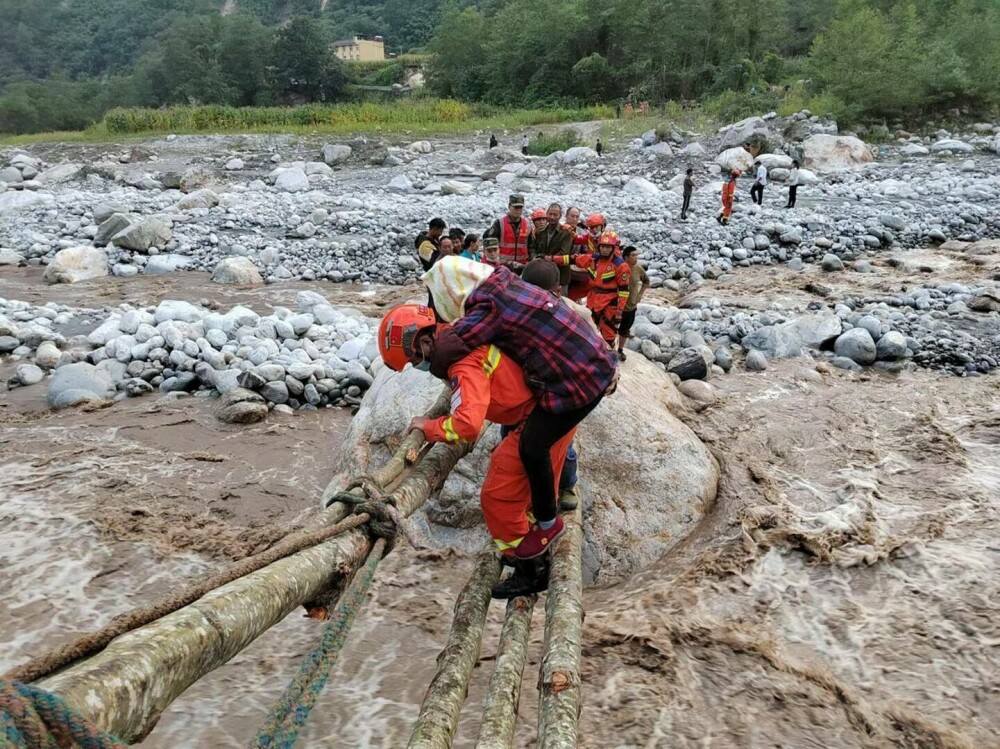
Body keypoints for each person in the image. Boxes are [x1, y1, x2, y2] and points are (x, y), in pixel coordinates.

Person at [423, 256, 618, 558]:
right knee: (539, 448)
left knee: (532, 448)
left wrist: (431, 359)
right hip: (587, 370)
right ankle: (547, 512)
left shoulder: (489, 307)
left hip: (577, 383)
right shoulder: (505, 282)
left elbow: (453, 346)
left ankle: (547, 525)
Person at [377, 303, 572, 597]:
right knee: (527, 484)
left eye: (414, 359)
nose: (417, 365)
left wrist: (429, 427)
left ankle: (532, 569)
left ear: (426, 341)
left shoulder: (462, 363)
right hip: (552, 409)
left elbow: (467, 425)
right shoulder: (462, 333)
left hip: (539, 416)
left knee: (497, 498)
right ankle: (529, 540)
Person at [548, 230, 630, 349]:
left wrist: (619, 312)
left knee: (608, 334)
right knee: (587, 329)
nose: (605, 250)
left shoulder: (620, 266)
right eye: (603, 247)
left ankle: (608, 358)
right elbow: (572, 259)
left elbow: (624, 291)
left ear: (613, 248)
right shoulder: (593, 259)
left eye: (608, 247)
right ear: (599, 246)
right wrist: (551, 258)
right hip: (593, 298)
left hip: (609, 303)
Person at [529, 203, 573, 293]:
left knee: (561, 302)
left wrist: (545, 260)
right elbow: (533, 247)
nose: (552, 217)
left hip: (560, 276)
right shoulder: (541, 231)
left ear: (560, 216)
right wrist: (534, 258)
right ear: (547, 214)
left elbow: (564, 253)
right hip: (542, 275)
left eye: (555, 215)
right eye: (550, 214)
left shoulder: (566, 233)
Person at [616, 246, 650, 361]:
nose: (636, 258)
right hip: (616, 304)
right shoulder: (618, 268)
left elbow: (646, 281)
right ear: (626, 257)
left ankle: (620, 350)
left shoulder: (639, 269)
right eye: (633, 255)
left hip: (631, 305)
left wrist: (640, 294)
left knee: (624, 329)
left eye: (637, 255)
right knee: (610, 328)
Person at [484, 194, 531, 273]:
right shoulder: (500, 223)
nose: (518, 210)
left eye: (520, 207)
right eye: (516, 207)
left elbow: (531, 245)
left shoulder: (527, 224)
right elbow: (488, 243)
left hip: (522, 267)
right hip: (503, 266)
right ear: (509, 206)